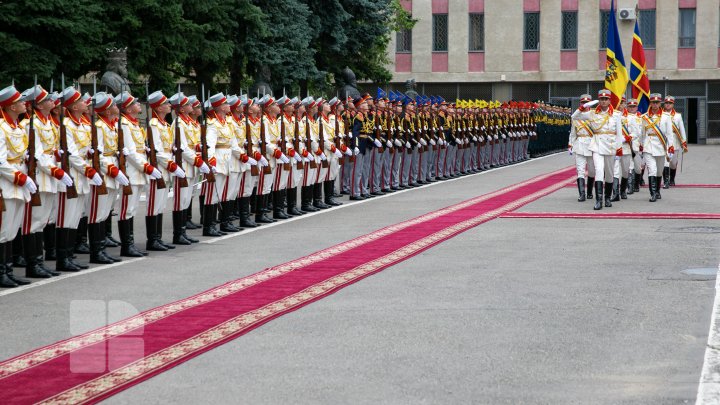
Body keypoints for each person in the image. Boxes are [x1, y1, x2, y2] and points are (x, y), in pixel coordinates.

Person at [574, 89, 622, 210]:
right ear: (599, 100)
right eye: (601, 99)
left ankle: (607, 198)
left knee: (610, 174)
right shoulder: (592, 113)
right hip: (597, 145)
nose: (604, 101)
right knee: (599, 170)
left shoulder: (616, 114)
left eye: (606, 99)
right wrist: (584, 106)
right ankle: (599, 200)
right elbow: (574, 117)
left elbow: (619, 134)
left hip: (610, 146)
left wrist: (619, 148)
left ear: (609, 100)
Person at [639, 93, 671, 202]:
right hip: (649, 145)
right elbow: (642, 134)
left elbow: (669, 134)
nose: (655, 104)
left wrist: (670, 147)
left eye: (657, 102)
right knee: (652, 170)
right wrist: (641, 146)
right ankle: (652, 193)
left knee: (659, 171)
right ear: (650, 103)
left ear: (660, 103)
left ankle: (657, 191)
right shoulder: (645, 117)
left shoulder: (666, 117)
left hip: (661, 147)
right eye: (653, 102)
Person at [568, 94, 596, 202]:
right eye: (582, 103)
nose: (584, 105)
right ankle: (582, 194)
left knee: (592, 171)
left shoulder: (593, 115)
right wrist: (570, 144)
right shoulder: (576, 116)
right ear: (580, 104)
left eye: (586, 103)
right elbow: (573, 133)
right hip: (579, 144)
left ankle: (589, 191)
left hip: (591, 144)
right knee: (580, 170)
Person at [662, 95, 688, 187]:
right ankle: (666, 181)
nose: (668, 105)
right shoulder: (660, 114)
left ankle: (672, 179)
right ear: (664, 104)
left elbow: (682, 129)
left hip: (674, 141)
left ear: (673, 104)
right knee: (665, 161)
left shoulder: (678, 116)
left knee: (673, 163)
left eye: (670, 103)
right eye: (666, 103)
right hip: (663, 140)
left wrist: (684, 142)